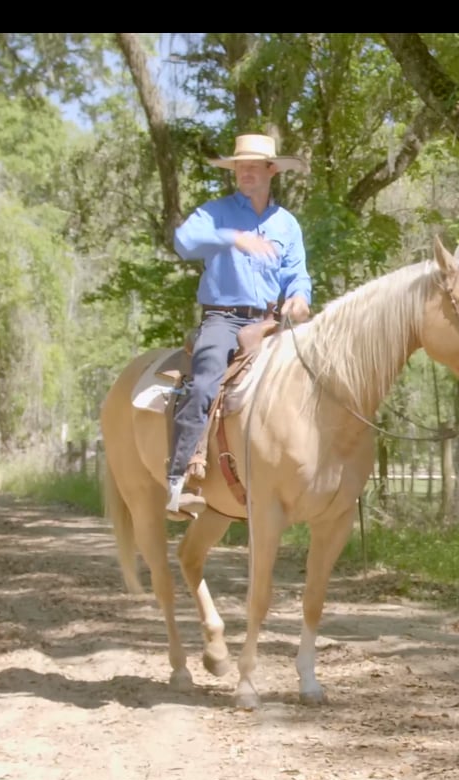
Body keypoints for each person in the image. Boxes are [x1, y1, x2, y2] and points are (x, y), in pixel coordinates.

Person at [165, 132, 314, 519]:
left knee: (315, 379)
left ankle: (313, 475)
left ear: (270, 171)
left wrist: (300, 297)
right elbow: (183, 243)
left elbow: (297, 274)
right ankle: (178, 480)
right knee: (203, 382)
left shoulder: (287, 225)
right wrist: (232, 238)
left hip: (270, 322)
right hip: (223, 319)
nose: (245, 172)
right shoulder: (216, 213)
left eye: (253, 166)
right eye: (239, 167)